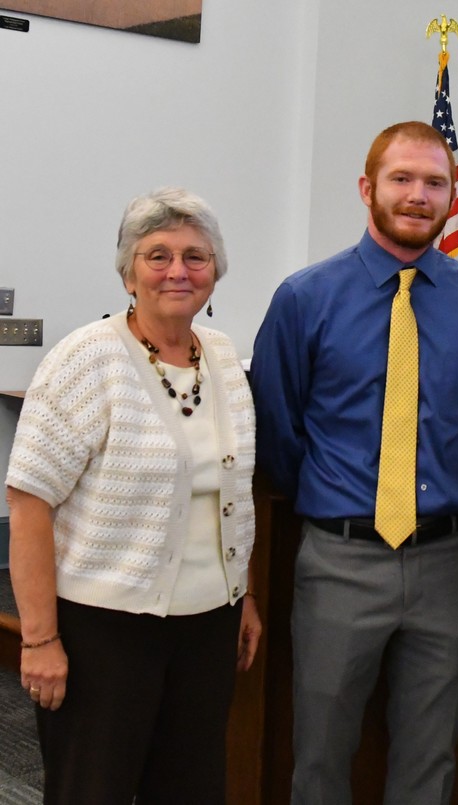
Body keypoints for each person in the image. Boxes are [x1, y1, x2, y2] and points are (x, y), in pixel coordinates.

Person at [249, 121, 458, 805]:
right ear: (367, 188)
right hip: (341, 560)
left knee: (431, 762)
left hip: (449, 562)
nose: (419, 195)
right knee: (321, 756)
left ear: (452, 195)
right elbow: (279, 431)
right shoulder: (304, 297)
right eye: (402, 178)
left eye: (435, 182)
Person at [5, 187, 261, 804]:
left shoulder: (223, 357)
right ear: (128, 273)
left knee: (192, 787)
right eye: (157, 255)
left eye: (195, 257)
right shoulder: (85, 359)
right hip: (104, 632)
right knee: (93, 789)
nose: (178, 271)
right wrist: (38, 639)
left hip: (208, 625)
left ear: (215, 273)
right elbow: (29, 503)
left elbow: (230, 495)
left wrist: (242, 593)